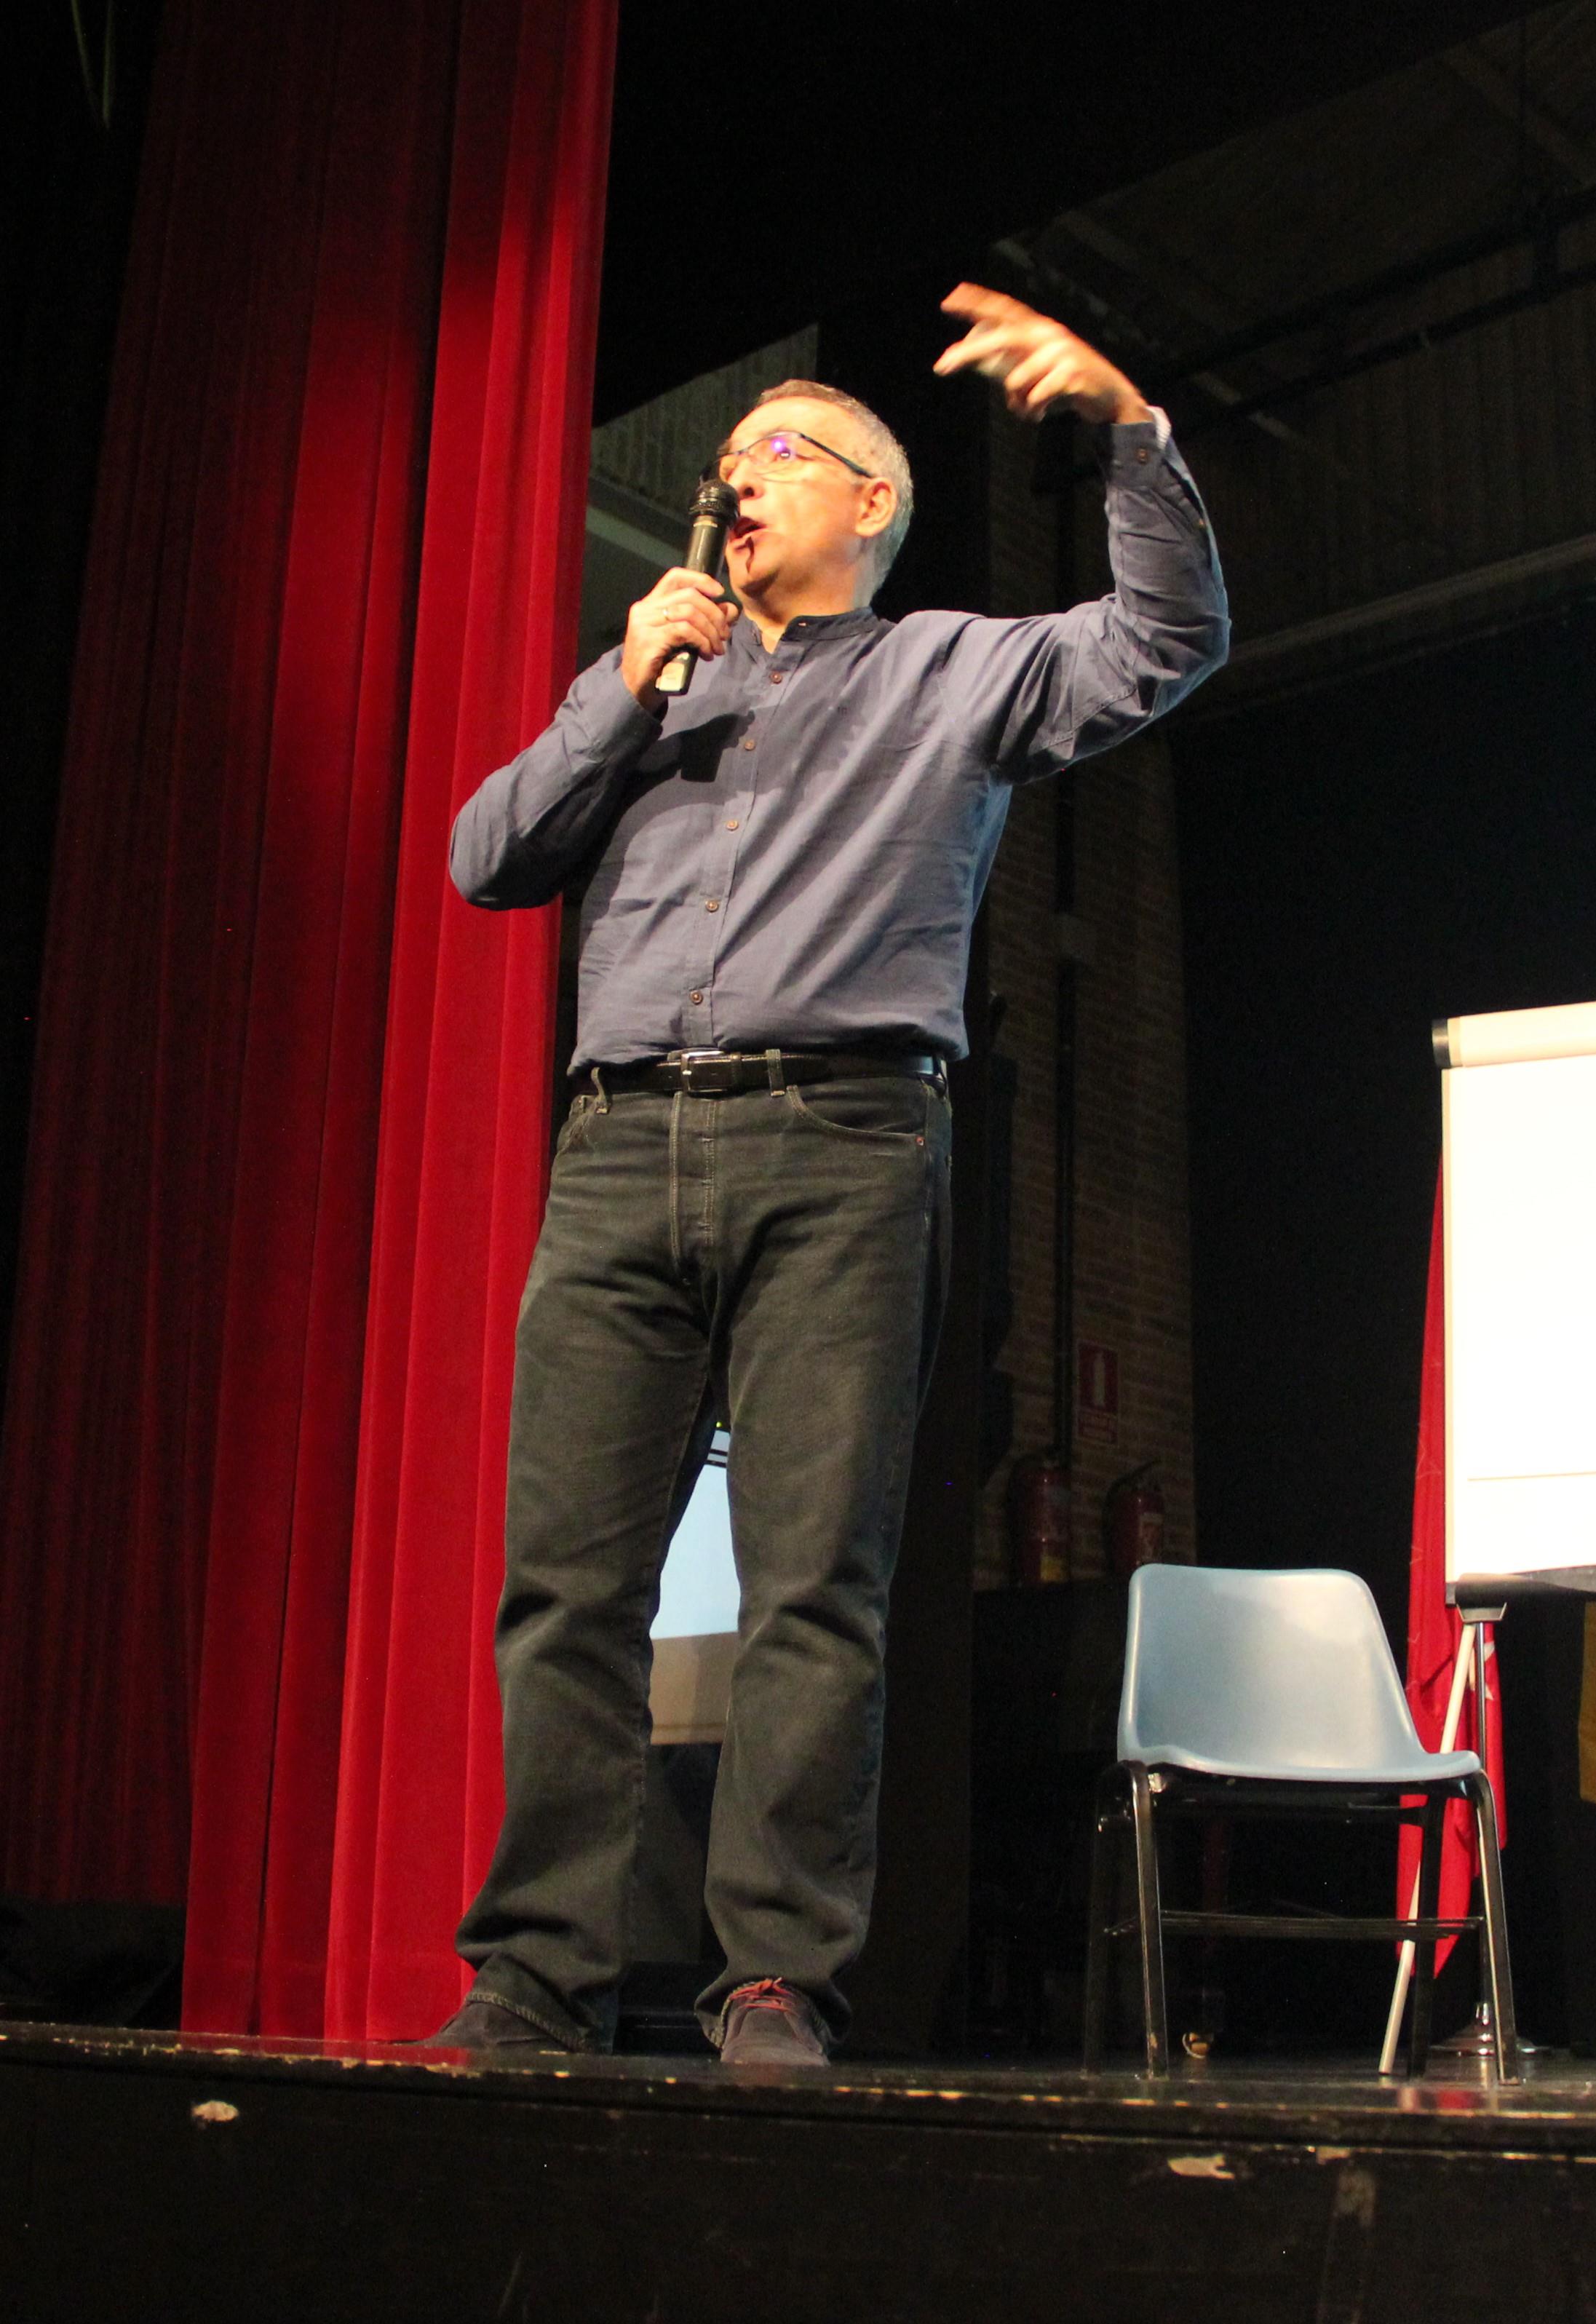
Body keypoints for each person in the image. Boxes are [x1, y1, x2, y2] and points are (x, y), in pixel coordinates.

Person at [429, 285, 1228, 2065]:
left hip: (844, 1142)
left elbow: (1168, 636)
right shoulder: (651, 691)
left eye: (778, 452)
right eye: (725, 460)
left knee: (811, 1584)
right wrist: (622, 688)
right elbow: (488, 856)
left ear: (874, 503)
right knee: (568, 1587)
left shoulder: (951, 669)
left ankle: (773, 1975)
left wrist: (1126, 427)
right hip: (621, 1146)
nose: (737, 479)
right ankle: (539, 1977)